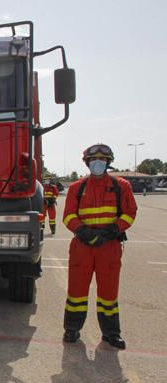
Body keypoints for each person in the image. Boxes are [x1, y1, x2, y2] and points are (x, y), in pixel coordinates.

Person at [62, 143, 137, 350]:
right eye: (94, 160)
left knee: (109, 292)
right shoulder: (77, 188)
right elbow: (68, 215)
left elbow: (130, 212)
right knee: (76, 290)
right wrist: (83, 232)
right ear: (87, 163)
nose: (98, 163)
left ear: (108, 162)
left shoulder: (121, 186)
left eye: (102, 160)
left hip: (109, 245)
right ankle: (71, 329)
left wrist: (113, 230)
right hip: (82, 245)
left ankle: (111, 333)